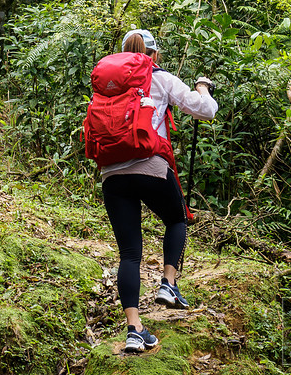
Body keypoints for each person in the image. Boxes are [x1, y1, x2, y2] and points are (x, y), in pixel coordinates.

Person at [101, 29, 217, 353]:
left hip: (112, 174)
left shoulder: (108, 83)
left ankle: (134, 331)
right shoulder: (159, 77)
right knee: (177, 218)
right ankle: (168, 283)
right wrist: (202, 88)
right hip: (150, 166)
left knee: (129, 254)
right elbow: (204, 110)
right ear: (154, 55)